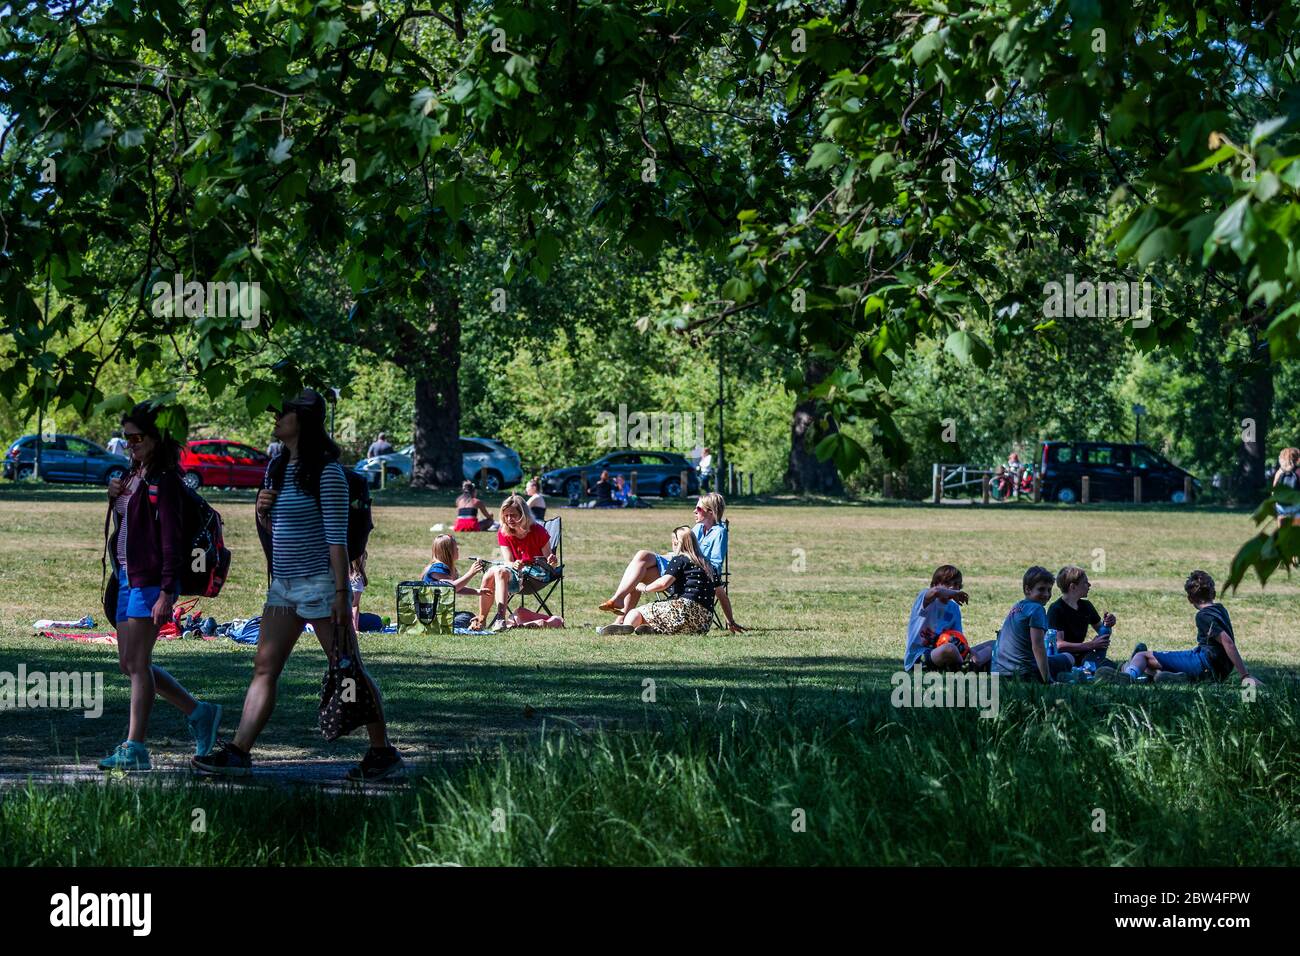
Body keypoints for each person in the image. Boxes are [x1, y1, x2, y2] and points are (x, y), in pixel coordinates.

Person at [191, 389, 403, 781]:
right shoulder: (278, 466)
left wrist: (342, 595)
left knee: (348, 667)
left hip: (321, 586)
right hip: (284, 587)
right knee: (264, 667)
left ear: (302, 420)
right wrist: (263, 512)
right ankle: (239, 752)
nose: (275, 418)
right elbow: (281, 532)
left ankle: (382, 752)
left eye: (283, 413)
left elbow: (336, 541)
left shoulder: (328, 473)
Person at [98, 403, 221, 771]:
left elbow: (170, 540)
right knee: (129, 663)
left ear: (156, 438)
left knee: (138, 664)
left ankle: (135, 747)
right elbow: (128, 526)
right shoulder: (133, 474)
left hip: (150, 581)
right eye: (126, 437)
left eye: (136, 437)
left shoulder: (165, 481)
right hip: (124, 578)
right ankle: (199, 712)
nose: (130, 443)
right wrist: (114, 496)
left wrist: (168, 591)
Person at [599, 492, 744, 632]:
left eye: (698, 509)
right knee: (640, 565)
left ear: (711, 512)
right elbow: (684, 550)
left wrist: (686, 561)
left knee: (643, 558)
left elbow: (714, 564)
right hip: (680, 568)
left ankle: (619, 606)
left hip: (691, 575)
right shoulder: (698, 528)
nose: (694, 511)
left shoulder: (719, 532)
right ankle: (619, 619)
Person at [1102, 571, 1261, 687]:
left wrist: (1245, 676)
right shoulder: (1221, 609)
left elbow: (1227, 642)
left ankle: (1127, 676)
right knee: (1153, 666)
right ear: (1213, 592)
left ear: (1190, 599)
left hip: (1205, 663)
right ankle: (1175, 678)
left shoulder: (1203, 616)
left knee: (1142, 655)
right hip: (1219, 670)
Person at [597, 526, 717, 635]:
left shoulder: (680, 560)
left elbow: (663, 583)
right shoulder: (710, 566)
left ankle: (626, 625)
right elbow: (723, 597)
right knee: (659, 615)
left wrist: (644, 588)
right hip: (702, 625)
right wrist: (730, 621)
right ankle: (652, 629)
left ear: (676, 542)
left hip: (683, 611)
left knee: (635, 613)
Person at [472, 495, 559, 631]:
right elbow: (509, 561)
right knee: (494, 572)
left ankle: (495, 619)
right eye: (505, 516)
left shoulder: (538, 531)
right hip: (514, 573)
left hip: (535, 577)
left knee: (497, 571)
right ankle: (483, 620)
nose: (509, 519)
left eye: (513, 515)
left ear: (523, 514)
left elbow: (549, 563)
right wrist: (514, 565)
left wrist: (553, 561)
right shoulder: (504, 532)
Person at [991, 566, 1076, 683]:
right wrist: (1048, 680)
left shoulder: (1018, 606)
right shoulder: (1037, 609)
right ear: (1027, 590)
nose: (1046, 594)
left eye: (1049, 590)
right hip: (1023, 673)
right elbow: (1038, 647)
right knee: (1068, 657)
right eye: (1041, 589)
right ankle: (1061, 677)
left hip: (999, 673)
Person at [903, 565, 994, 672]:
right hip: (919, 657)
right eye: (947, 583)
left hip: (946, 652)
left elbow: (958, 638)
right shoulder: (925, 598)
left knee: (993, 643)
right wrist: (954, 593)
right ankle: (967, 666)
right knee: (949, 649)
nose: (952, 587)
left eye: (956, 585)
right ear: (935, 584)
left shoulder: (954, 608)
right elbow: (936, 592)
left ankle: (971, 662)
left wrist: (968, 650)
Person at [1047, 566, 1117, 670]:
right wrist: (1091, 645)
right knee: (1096, 666)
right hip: (1063, 658)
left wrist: (1108, 625)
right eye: (1085, 582)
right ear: (1073, 587)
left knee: (1109, 665)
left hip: (1082, 655)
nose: (1089, 585)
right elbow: (1059, 645)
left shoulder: (1086, 606)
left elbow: (1101, 630)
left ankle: (1131, 665)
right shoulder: (1056, 609)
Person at [422, 534, 487, 595]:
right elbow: (451, 587)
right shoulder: (438, 568)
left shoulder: (445, 567)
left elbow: (458, 587)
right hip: (429, 607)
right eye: (455, 547)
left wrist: (476, 591)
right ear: (448, 551)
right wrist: (471, 573)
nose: (457, 549)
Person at [1272, 447, 1300, 524]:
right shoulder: (1298, 471)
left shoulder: (1279, 472)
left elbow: (1274, 490)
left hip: (1282, 506)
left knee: (1282, 532)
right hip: (1296, 506)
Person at [349, 552, 368, 634]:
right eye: (365, 560)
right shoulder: (356, 578)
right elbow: (354, 605)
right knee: (376, 621)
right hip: (345, 617)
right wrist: (355, 629)